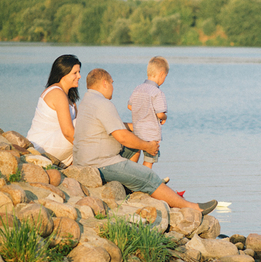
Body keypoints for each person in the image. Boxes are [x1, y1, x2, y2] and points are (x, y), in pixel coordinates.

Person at [73, 68, 217, 215]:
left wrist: (137, 127)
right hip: (101, 163)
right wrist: (148, 146)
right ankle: (191, 207)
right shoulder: (103, 104)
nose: (113, 87)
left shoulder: (87, 101)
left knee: (137, 138)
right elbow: (122, 137)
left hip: (86, 159)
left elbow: (111, 126)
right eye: (112, 83)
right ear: (105, 83)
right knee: (148, 176)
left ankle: (130, 185)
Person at [27, 54, 81, 166]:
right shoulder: (57, 93)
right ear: (63, 74)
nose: (79, 76)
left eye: (79, 72)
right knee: (83, 123)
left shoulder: (70, 98)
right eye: (75, 73)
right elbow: (68, 132)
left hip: (54, 144)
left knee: (87, 121)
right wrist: (87, 149)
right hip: (41, 147)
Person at [127, 56, 169, 169]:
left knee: (134, 154)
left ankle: (131, 175)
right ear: (161, 74)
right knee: (149, 159)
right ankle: (146, 177)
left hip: (137, 130)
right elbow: (160, 114)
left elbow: (130, 106)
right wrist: (165, 117)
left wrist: (142, 110)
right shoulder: (157, 92)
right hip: (151, 133)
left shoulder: (138, 88)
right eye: (165, 76)